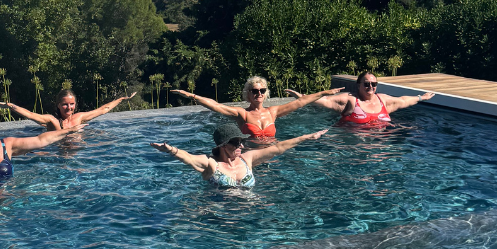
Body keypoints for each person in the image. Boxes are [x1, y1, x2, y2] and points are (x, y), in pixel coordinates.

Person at [151, 121, 329, 188]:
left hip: (250, 213)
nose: (241, 145)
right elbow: (188, 158)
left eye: (241, 141)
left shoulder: (247, 159)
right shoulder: (212, 164)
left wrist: (308, 137)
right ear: (223, 145)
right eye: (236, 142)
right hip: (221, 217)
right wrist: (170, 150)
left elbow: (278, 148)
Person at [170, 77, 338, 140]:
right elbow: (215, 105)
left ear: (265, 94)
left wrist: (324, 92)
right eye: (255, 91)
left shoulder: (273, 112)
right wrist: (192, 96)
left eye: (262, 91)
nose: (259, 94)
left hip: (272, 156)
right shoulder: (241, 114)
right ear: (248, 94)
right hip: (251, 157)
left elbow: (300, 102)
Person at [287, 72, 433, 126]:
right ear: (359, 85)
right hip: (355, 149)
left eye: (374, 84)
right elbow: (325, 101)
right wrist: (302, 97)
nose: (371, 87)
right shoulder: (350, 100)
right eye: (367, 84)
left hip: (381, 149)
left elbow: (403, 100)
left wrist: (421, 97)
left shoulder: (383, 100)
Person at [0, 88, 137, 131]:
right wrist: (10, 106)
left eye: (72, 104)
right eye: (65, 104)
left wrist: (123, 99)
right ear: (58, 105)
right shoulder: (52, 121)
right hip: (58, 155)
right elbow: (30, 115)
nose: (69, 107)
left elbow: (103, 109)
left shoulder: (79, 117)